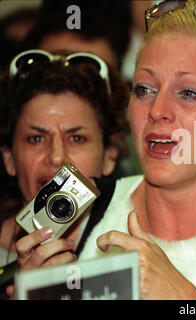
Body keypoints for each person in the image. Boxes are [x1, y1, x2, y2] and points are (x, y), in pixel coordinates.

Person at [14, 1, 196, 300]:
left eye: (189, 93)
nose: (157, 110)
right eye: (144, 89)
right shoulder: (78, 217)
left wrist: (187, 300)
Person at [0, 49, 129, 286]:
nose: (57, 157)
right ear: (9, 159)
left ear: (110, 156)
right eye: (36, 139)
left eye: (77, 138)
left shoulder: (134, 245)